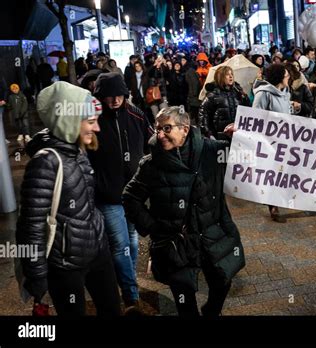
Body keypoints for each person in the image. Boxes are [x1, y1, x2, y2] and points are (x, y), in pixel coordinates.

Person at [122, 107, 245, 317]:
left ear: (185, 129)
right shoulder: (151, 165)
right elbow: (130, 197)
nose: (160, 135)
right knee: (184, 299)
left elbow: (247, 158)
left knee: (223, 280)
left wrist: (239, 138)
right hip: (175, 244)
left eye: (167, 128)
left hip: (212, 235)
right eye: (158, 129)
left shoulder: (212, 151)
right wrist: (154, 227)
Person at [16, 81, 121, 316]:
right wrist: (37, 279)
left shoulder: (78, 152)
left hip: (97, 253)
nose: (97, 129)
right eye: (91, 122)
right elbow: (31, 226)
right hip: (65, 267)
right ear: (69, 120)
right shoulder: (46, 162)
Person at [90, 72, 154, 314]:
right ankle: (131, 295)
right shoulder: (93, 119)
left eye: (119, 95)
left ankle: (129, 281)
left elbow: (152, 141)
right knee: (120, 244)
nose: (115, 100)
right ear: (101, 96)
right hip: (108, 196)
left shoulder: (136, 114)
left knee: (133, 242)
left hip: (135, 194)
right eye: (109, 96)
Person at [253, 63, 292, 223]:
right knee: (272, 173)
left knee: (282, 172)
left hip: (285, 140)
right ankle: (272, 204)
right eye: (286, 75)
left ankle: (278, 199)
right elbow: (255, 117)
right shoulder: (263, 95)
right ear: (279, 78)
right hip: (270, 141)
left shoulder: (286, 93)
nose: (289, 77)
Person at [198, 66, 250, 138]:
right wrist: (209, 134)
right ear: (220, 77)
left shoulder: (238, 92)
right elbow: (203, 116)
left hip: (237, 134)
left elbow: (247, 110)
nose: (231, 76)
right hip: (219, 136)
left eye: (231, 74)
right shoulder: (212, 95)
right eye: (227, 74)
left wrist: (245, 97)